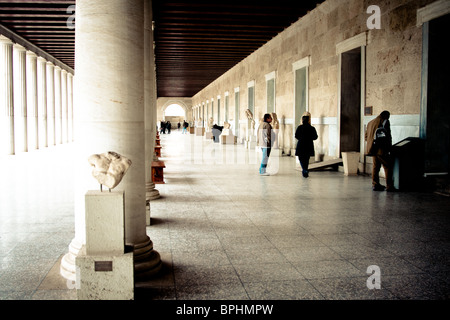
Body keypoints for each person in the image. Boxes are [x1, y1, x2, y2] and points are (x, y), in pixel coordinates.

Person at [365, 110, 396, 191]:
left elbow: (366, 136)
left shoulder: (370, 122)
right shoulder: (385, 121)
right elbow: (388, 136)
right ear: (386, 116)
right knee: (387, 166)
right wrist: (389, 148)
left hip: (373, 149)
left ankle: (375, 184)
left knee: (376, 167)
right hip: (381, 149)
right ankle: (389, 186)